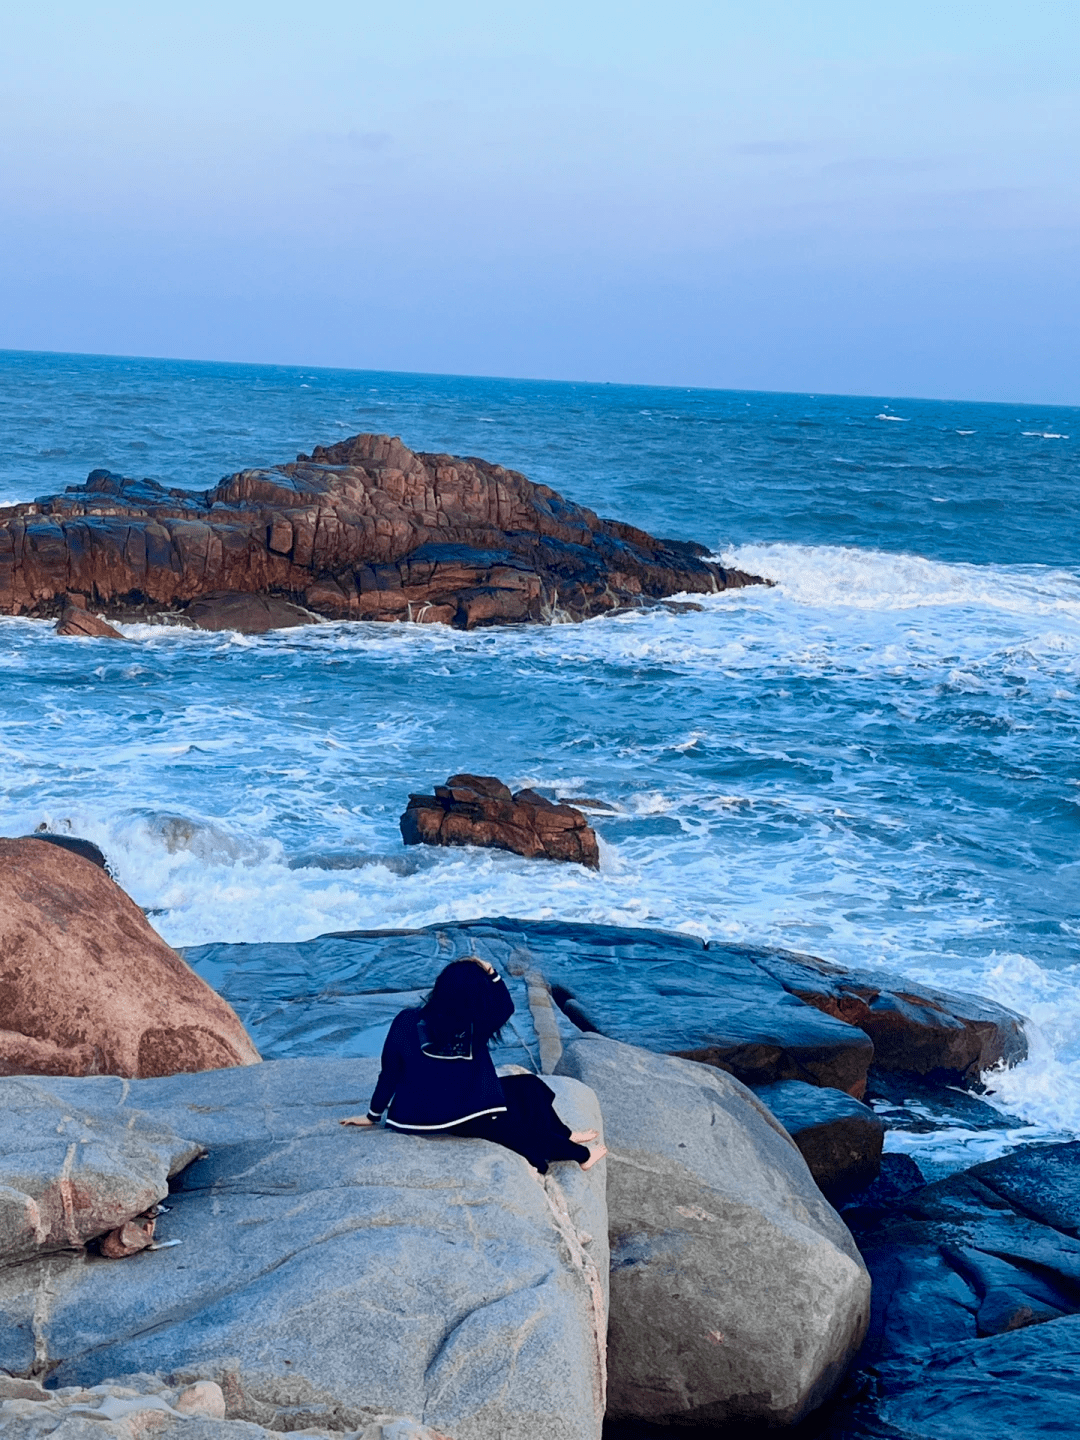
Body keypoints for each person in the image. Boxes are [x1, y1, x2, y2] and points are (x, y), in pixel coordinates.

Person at [341, 956, 606, 1173]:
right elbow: (506, 1006)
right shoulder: (474, 1024)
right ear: (476, 997)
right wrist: (491, 971)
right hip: (459, 1115)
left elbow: (389, 1071)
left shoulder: (406, 1019)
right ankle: (582, 1155)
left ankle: (566, 1134)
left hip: (414, 1115)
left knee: (529, 1085)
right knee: (522, 1129)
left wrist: (372, 1115)